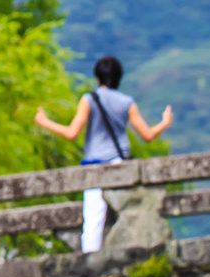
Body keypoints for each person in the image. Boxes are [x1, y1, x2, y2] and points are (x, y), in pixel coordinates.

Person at [35, 57, 173, 252]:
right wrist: (164, 123)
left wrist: (44, 122)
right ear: (118, 78)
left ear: (98, 77)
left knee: (93, 219)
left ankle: (90, 263)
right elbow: (147, 135)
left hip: (95, 164)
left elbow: (72, 133)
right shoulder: (127, 102)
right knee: (128, 213)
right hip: (120, 164)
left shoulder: (89, 100)